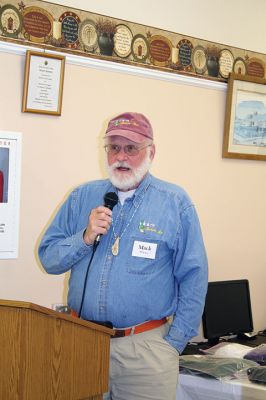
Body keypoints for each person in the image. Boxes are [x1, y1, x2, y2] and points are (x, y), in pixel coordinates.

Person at [38, 112, 208, 400]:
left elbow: (194, 277)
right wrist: (84, 237)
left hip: (146, 351)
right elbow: (48, 259)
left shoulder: (175, 203)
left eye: (131, 148)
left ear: (151, 152)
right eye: (114, 147)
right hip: (82, 343)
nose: (121, 156)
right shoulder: (81, 197)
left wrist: (174, 342)